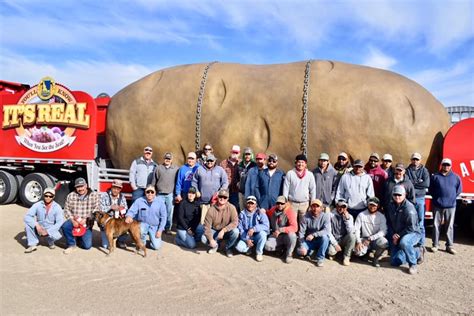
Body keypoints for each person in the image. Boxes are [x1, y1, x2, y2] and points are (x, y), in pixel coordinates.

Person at [386, 185, 422, 275]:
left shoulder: (409, 209)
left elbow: (411, 227)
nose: (397, 197)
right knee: (394, 262)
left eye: (400, 195)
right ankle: (411, 251)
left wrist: (398, 236)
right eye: (395, 195)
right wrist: (393, 235)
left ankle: (413, 262)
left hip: (413, 233)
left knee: (405, 242)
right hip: (397, 234)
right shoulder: (390, 206)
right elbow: (389, 223)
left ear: (404, 195)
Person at [429, 158, 462, 254]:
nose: (446, 166)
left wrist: (451, 198)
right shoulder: (435, 176)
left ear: (451, 166)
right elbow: (431, 190)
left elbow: (459, 190)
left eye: (448, 165)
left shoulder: (456, 177)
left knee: (449, 226)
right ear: (441, 165)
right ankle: (435, 245)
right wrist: (437, 199)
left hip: (451, 206)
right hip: (437, 205)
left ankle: (449, 246)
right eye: (444, 165)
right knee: (436, 225)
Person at [62, 178, 99, 254]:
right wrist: (72, 220)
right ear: (75, 187)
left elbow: (97, 210)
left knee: (87, 246)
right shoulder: (71, 195)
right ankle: (71, 244)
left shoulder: (94, 195)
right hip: (74, 220)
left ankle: (79, 238)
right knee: (65, 226)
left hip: (86, 224)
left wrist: (86, 219)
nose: (80, 189)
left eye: (82, 186)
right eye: (78, 187)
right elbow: (66, 210)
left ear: (86, 186)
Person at [125, 185, 167, 250]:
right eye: (148, 192)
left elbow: (164, 218)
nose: (150, 193)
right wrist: (129, 216)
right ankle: (142, 243)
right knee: (141, 231)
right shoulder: (139, 201)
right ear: (145, 192)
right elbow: (132, 211)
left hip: (154, 226)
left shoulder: (160, 202)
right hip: (142, 224)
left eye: (152, 192)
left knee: (156, 246)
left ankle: (150, 241)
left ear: (155, 193)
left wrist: (160, 230)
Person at [23, 188, 64, 253]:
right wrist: (36, 225)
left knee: (60, 231)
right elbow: (27, 216)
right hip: (40, 227)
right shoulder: (37, 205)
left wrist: (48, 231)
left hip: (50, 228)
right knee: (28, 224)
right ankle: (32, 244)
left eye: (50, 196)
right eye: (46, 196)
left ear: (53, 197)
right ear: (43, 195)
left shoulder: (57, 207)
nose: (48, 198)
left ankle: (50, 241)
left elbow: (60, 222)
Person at [201, 189, 239, 257]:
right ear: (217, 197)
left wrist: (224, 230)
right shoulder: (211, 209)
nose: (222, 199)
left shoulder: (232, 208)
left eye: (225, 197)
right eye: (220, 196)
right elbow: (207, 226)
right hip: (215, 231)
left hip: (226, 232)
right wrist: (211, 239)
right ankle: (215, 246)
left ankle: (228, 248)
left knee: (236, 232)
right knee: (203, 238)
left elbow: (235, 222)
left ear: (227, 199)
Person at [192, 153, 228, 223]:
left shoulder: (220, 170)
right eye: (208, 161)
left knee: (215, 221)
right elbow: (194, 181)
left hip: (215, 202)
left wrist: (220, 192)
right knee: (203, 222)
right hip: (203, 202)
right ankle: (204, 234)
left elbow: (225, 182)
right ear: (206, 161)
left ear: (215, 161)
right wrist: (196, 190)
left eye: (211, 161)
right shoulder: (199, 169)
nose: (209, 162)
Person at [354, 197, 388, 267]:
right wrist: (358, 242)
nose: (372, 207)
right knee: (358, 252)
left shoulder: (381, 216)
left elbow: (383, 231)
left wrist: (371, 238)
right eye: (370, 205)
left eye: (374, 205)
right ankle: (366, 253)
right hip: (364, 239)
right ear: (368, 205)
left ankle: (376, 258)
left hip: (375, 239)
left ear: (378, 206)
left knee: (384, 242)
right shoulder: (361, 215)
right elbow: (356, 229)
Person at [296, 199, 331, 267]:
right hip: (309, 241)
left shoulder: (325, 216)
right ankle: (311, 252)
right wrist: (302, 245)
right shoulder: (305, 216)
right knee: (300, 252)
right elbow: (301, 232)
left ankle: (320, 258)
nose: (315, 209)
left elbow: (326, 230)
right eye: (313, 206)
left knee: (325, 238)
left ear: (321, 208)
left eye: (317, 206)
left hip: (319, 240)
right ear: (310, 207)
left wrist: (314, 235)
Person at [405, 152, 430, 247]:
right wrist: (418, 182)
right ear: (411, 160)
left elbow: (426, 184)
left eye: (417, 159)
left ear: (420, 160)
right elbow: (406, 183)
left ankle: (421, 244)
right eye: (414, 159)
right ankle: (410, 242)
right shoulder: (407, 171)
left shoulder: (424, 171)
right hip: (409, 199)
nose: (415, 161)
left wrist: (413, 184)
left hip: (420, 199)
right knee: (409, 221)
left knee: (420, 222)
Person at [235, 196, 270, 262]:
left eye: (252, 203)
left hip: (257, 236)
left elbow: (266, 226)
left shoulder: (260, 212)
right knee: (238, 247)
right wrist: (247, 239)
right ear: (246, 204)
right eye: (249, 203)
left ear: (256, 204)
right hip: (246, 236)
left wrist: (254, 229)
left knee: (263, 234)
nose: (250, 205)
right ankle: (249, 248)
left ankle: (259, 253)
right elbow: (240, 229)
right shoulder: (242, 214)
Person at [265, 196, 298, 264]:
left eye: (282, 203)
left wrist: (281, 230)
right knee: (267, 246)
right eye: (278, 203)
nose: (280, 205)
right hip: (276, 235)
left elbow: (295, 227)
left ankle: (289, 254)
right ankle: (280, 248)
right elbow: (267, 213)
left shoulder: (290, 212)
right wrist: (262, 211)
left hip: (286, 235)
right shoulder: (273, 210)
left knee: (292, 235)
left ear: (286, 203)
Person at [283, 154, 316, 219]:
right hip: (292, 204)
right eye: (299, 162)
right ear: (296, 163)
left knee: (303, 224)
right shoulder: (290, 173)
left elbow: (313, 190)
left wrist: (312, 204)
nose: (300, 164)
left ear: (305, 164)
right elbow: (286, 189)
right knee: (292, 223)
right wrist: (285, 202)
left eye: (302, 162)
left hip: (305, 204)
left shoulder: (310, 174)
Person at [153, 152, 178, 234]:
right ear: (164, 159)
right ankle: (158, 227)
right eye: (166, 158)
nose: (167, 160)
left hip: (169, 194)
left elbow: (178, 181)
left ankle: (168, 228)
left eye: (169, 159)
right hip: (159, 194)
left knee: (169, 212)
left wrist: (176, 194)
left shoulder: (175, 169)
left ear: (172, 160)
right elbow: (154, 181)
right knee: (158, 211)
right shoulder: (158, 168)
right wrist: (152, 191)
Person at [99, 179, 128, 249]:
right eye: (114, 188)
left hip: (118, 222)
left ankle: (120, 241)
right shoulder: (104, 196)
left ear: (120, 189)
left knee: (126, 224)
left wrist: (122, 208)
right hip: (107, 223)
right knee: (105, 246)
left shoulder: (122, 197)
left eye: (118, 189)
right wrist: (110, 207)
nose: (115, 190)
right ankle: (111, 238)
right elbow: (100, 210)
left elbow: (126, 208)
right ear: (111, 187)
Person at [328, 199, 355, 266]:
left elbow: (351, 231)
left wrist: (347, 220)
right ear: (336, 206)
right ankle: (334, 253)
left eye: (343, 207)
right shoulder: (330, 215)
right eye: (339, 206)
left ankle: (347, 257)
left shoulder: (350, 217)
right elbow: (328, 231)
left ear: (346, 208)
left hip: (343, 239)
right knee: (331, 252)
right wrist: (335, 244)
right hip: (334, 239)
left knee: (352, 236)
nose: (341, 208)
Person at [220, 145, 242, 212]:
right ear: (230, 152)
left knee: (235, 209)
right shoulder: (223, 163)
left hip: (236, 191)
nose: (235, 154)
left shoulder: (241, 163)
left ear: (239, 153)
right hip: (225, 190)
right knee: (223, 208)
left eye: (236, 152)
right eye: (233, 152)